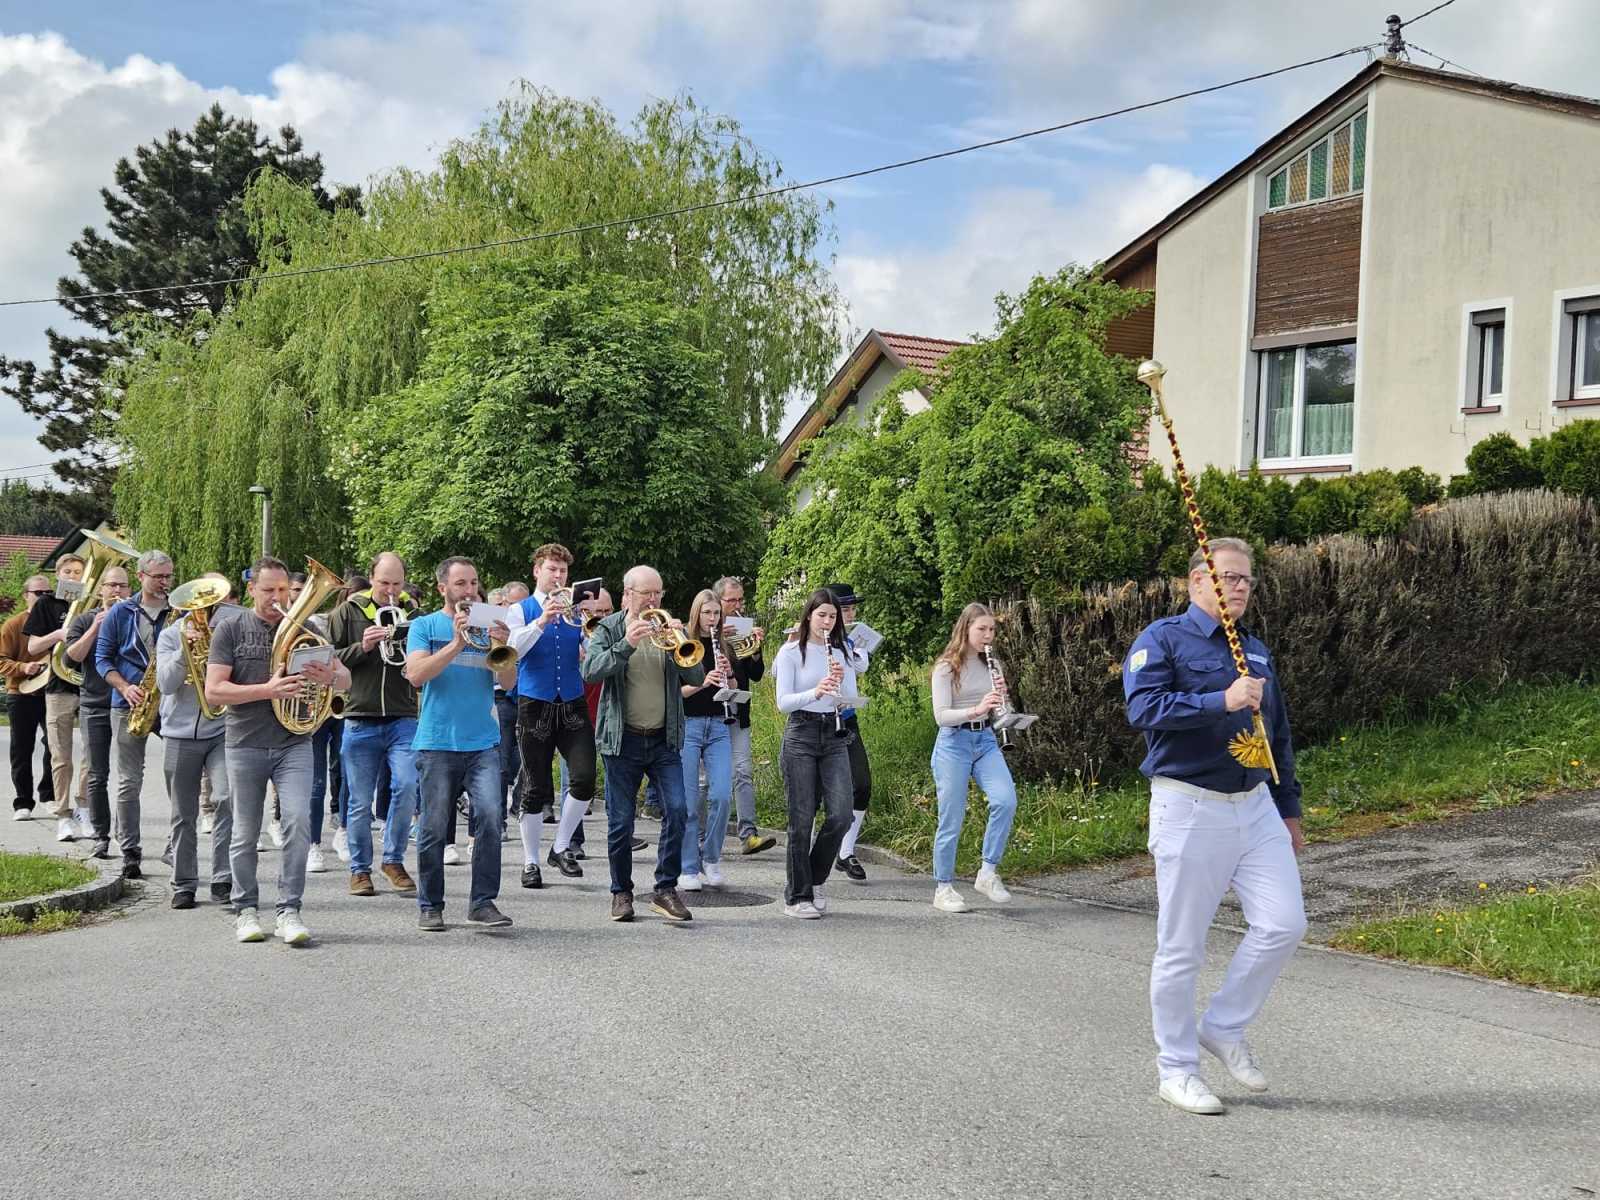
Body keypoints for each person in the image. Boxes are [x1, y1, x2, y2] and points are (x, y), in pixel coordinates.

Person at [1123, 537, 1306, 1116]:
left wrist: (1289, 807)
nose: (1241, 586)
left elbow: (1277, 734)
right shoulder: (1162, 640)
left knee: (1284, 924)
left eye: (1247, 578)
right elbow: (1143, 709)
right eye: (1229, 576)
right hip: (1191, 806)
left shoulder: (1255, 650)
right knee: (1182, 947)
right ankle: (1176, 1069)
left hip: (1255, 805)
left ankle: (1223, 1025)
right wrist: (1219, 700)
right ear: (1197, 581)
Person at [206, 556, 350, 946]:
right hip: (245, 742)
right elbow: (214, 691)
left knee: (299, 823)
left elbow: (346, 680)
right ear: (251, 589)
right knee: (245, 833)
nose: (277, 598)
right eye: (268, 590)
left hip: (294, 742)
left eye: (283, 590)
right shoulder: (231, 628)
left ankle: (289, 910)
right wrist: (267, 690)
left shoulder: (308, 628)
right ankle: (246, 909)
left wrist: (331, 676)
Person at [581, 565, 703, 924]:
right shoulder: (609, 628)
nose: (653, 600)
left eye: (657, 593)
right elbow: (591, 671)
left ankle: (665, 889)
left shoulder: (668, 630)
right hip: (623, 740)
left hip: (664, 739)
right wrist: (627, 644)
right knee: (621, 822)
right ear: (627, 595)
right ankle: (621, 891)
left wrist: (680, 642)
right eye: (646, 593)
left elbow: (696, 675)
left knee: (678, 810)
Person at [403, 556, 513, 931]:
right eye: (461, 583)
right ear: (443, 589)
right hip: (437, 742)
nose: (469, 590)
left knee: (491, 819)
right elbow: (416, 675)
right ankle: (430, 904)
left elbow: (509, 682)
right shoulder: (424, 625)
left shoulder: (487, 624)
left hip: (482, 742)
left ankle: (482, 902)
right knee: (434, 828)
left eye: (473, 583)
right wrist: (456, 643)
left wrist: (502, 645)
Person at [329, 553, 421, 898]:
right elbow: (329, 659)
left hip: (403, 715)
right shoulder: (348, 612)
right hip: (360, 715)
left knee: (407, 786)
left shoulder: (414, 613)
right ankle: (359, 869)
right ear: (371, 578)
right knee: (359, 800)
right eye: (384, 583)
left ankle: (393, 860)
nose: (391, 591)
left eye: (397, 583)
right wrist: (363, 646)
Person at [504, 544, 596, 888]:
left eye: (563, 571)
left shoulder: (576, 611)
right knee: (535, 787)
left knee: (584, 778)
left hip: (572, 701)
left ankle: (560, 846)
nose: (558, 576)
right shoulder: (520, 610)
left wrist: (590, 632)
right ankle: (530, 860)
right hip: (535, 702)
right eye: (552, 569)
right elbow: (513, 651)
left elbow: (589, 654)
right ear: (537, 572)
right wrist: (542, 621)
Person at [928, 603, 1019, 914]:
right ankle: (943, 887)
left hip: (986, 741)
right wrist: (976, 709)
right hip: (953, 743)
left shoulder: (993, 665)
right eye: (982, 629)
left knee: (1005, 800)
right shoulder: (946, 667)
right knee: (951, 818)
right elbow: (941, 716)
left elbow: (1001, 713)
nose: (988, 635)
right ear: (965, 629)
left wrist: (1004, 703)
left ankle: (988, 872)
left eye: (992, 629)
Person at [771, 588, 855, 920]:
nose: (827, 622)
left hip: (833, 732)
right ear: (809, 616)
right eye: (822, 615)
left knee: (842, 814)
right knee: (802, 818)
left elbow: (849, 698)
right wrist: (816, 691)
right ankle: (797, 895)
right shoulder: (792, 652)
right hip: (801, 732)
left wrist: (840, 687)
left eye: (832, 616)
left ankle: (816, 878)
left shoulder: (842, 651)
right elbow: (783, 702)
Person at [95, 550, 175, 878]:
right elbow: (102, 659)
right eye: (158, 576)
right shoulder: (120, 612)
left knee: (179, 776)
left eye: (168, 576)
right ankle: (130, 850)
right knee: (129, 779)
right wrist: (125, 687)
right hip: (130, 702)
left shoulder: (180, 610)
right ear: (141, 576)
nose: (165, 582)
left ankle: (176, 845)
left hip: (171, 703)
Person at [155, 584, 235, 908]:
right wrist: (183, 652)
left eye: (210, 606)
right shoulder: (169, 635)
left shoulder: (228, 633)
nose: (205, 613)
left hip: (221, 729)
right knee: (182, 812)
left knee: (227, 798)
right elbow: (166, 684)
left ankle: (223, 877)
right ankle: (184, 883)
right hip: (179, 732)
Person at [64, 566, 130, 857]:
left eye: (122, 586)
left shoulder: (134, 618)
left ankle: (127, 837)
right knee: (97, 774)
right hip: (94, 704)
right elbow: (70, 659)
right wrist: (95, 628)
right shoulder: (84, 619)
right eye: (111, 585)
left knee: (130, 776)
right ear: (101, 589)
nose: (117, 591)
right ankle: (101, 836)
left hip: (128, 702)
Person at [707, 576, 774, 856]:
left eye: (740, 600)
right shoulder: (705, 628)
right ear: (718, 601)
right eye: (731, 600)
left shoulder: (742, 629)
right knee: (708, 779)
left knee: (743, 771)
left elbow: (756, 675)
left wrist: (756, 649)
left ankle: (748, 834)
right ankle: (703, 836)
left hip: (737, 709)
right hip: (708, 711)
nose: (737, 605)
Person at [24, 553, 87, 841]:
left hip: (89, 686)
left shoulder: (91, 603)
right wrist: (59, 635)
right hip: (59, 686)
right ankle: (62, 813)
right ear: (58, 575)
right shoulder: (45, 605)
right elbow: (33, 646)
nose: (73, 576)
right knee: (60, 755)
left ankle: (84, 808)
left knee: (92, 756)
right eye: (68, 571)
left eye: (78, 572)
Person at [676, 588, 736, 890]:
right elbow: (677, 692)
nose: (712, 618)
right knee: (688, 801)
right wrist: (703, 682)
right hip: (689, 724)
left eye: (716, 613)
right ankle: (688, 866)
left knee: (722, 794)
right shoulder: (683, 644)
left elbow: (734, 687)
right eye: (707, 612)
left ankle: (711, 858)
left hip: (719, 724)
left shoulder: (723, 644)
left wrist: (728, 675)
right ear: (696, 613)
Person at [827, 583, 874, 881]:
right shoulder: (808, 640)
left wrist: (852, 644)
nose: (850, 614)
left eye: (852, 609)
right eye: (845, 609)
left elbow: (861, 667)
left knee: (862, 784)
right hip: (816, 721)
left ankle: (845, 852)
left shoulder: (852, 640)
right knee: (818, 792)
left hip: (847, 717)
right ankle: (810, 856)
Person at [2, 574, 56, 822]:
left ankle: (49, 795)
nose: (44, 597)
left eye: (48, 593)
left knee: (55, 746)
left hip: (52, 693)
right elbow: (1, 660)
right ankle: (23, 802)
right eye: (38, 593)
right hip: (20, 694)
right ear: (26, 596)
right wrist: (23, 667)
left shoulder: (57, 624)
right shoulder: (13, 625)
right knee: (21, 749)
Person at [494, 580, 529, 827]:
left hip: (527, 696)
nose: (519, 609)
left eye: (523, 605)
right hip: (501, 698)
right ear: (504, 603)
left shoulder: (530, 624)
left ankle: (518, 803)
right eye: (514, 604)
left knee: (528, 760)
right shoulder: (495, 624)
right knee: (502, 762)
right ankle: (499, 821)